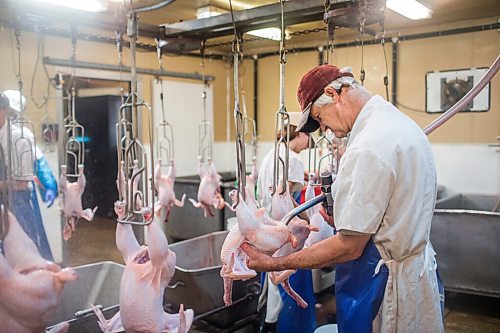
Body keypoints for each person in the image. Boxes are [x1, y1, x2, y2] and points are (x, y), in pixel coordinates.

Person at [242, 65, 444, 332]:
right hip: (413, 273)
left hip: (384, 284)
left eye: (320, 118)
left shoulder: (367, 146)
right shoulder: (399, 123)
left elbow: (350, 247)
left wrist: (276, 263)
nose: (324, 129)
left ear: (333, 94)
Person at [256, 112, 316, 333]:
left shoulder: (271, 154)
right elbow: (286, 197)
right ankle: (284, 326)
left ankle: (267, 324)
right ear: (299, 133)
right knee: (286, 281)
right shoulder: (294, 158)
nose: (309, 142)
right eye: (308, 136)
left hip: (267, 227)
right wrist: (306, 220)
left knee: (272, 278)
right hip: (285, 228)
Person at [0, 91, 57, 261]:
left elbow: (22, 183)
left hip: (18, 203)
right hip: (4, 202)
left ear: (4, 111)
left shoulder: (20, 137)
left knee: (26, 256)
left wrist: (49, 186)